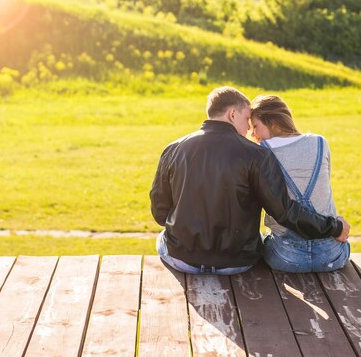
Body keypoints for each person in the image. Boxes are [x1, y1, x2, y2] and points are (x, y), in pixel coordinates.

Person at [150, 86, 350, 275]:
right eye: (247, 119)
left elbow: (160, 214)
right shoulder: (257, 155)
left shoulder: (173, 149)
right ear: (232, 114)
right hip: (237, 262)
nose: (248, 129)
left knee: (163, 238)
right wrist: (334, 227)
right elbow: (283, 211)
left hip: (182, 259)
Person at [250, 95, 350, 273]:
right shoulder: (320, 143)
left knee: (263, 239)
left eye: (256, 126)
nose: (253, 134)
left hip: (286, 257)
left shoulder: (262, 152)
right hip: (332, 255)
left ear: (272, 122)